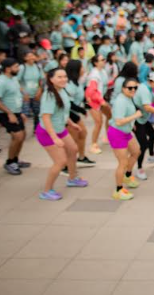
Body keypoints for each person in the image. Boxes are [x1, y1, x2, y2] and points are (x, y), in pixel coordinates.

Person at [36, 68, 88, 200]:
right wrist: (54, 138)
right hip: (47, 132)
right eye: (59, 77)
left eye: (64, 76)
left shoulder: (62, 91)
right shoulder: (49, 95)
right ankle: (46, 191)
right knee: (60, 161)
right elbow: (46, 118)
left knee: (73, 149)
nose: (63, 79)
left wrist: (71, 123)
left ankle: (72, 178)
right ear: (51, 79)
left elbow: (63, 111)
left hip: (60, 129)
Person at [0, 58, 30, 175]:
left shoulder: (13, 78)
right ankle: (10, 162)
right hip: (5, 113)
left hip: (16, 112)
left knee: (22, 135)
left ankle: (16, 159)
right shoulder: (1, 82)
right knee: (17, 136)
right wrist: (10, 113)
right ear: (8, 69)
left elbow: (14, 96)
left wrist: (19, 112)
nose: (18, 69)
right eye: (16, 67)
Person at [107, 77, 143, 201]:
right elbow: (118, 121)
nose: (133, 90)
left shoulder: (128, 98)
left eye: (135, 87)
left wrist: (132, 125)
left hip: (126, 132)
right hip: (117, 133)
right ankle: (118, 190)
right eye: (130, 88)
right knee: (122, 163)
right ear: (123, 89)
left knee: (136, 151)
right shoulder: (121, 101)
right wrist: (135, 116)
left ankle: (127, 175)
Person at [64, 60, 95, 166]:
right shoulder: (69, 84)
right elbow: (69, 103)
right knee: (72, 141)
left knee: (83, 133)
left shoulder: (77, 81)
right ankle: (66, 165)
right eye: (82, 67)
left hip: (74, 113)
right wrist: (81, 110)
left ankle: (81, 158)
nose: (84, 69)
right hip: (68, 114)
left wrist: (85, 106)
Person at [85, 55, 109, 154]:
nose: (104, 61)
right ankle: (93, 145)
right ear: (95, 63)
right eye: (102, 60)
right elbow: (91, 90)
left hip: (100, 99)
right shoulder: (94, 75)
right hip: (93, 101)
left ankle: (107, 136)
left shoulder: (102, 72)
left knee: (109, 116)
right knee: (98, 123)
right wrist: (101, 100)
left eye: (104, 59)